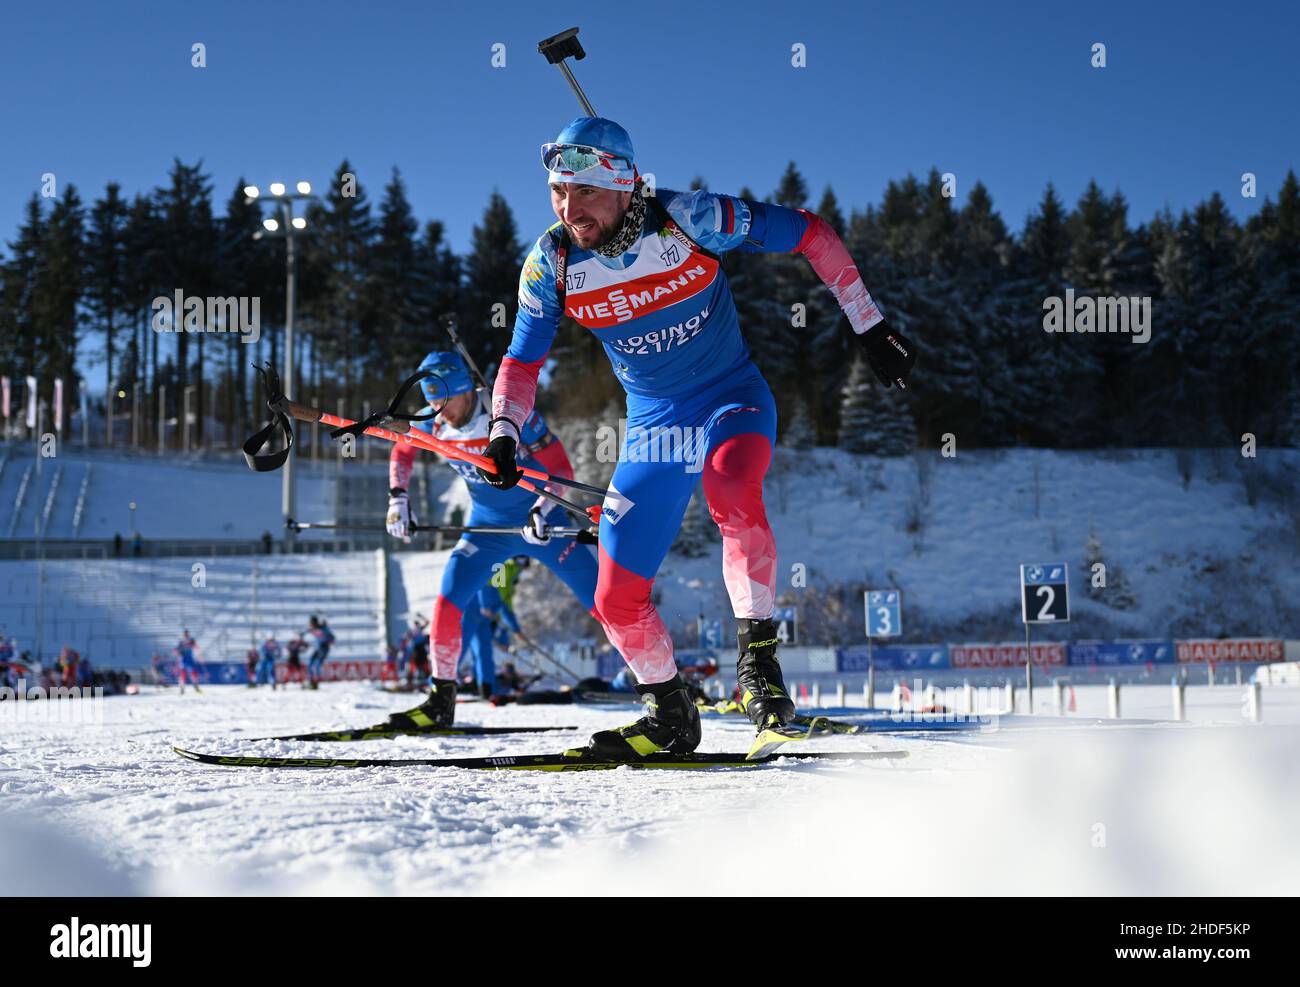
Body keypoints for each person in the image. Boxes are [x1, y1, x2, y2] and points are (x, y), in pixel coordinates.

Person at [480, 117, 916, 758]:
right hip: (656, 426)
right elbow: (521, 363)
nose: (570, 210)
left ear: (627, 186)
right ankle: (669, 713)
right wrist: (504, 432)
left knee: (732, 487)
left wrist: (868, 324)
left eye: (586, 193)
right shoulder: (551, 263)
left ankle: (759, 670)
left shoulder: (691, 219)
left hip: (729, 399)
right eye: (557, 191)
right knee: (613, 593)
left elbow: (809, 233)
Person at [382, 350, 610, 730]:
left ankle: (663, 687)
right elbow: (402, 451)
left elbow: (561, 468)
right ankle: (440, 700)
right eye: (431, 401)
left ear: (467, 390)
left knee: (605, 602)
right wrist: (398, 498)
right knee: (449, 599)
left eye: (444, 400)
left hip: (543, 524)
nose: (439, 409)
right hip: (487, 527)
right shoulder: (434, 424)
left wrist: (541, 509)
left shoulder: (507, 415)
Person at [304, 616, 333, 690]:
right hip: (317, 648)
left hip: (324, 648)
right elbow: (304, 633)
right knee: (310, 663)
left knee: (317, 664)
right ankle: (311, 681)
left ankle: (316, 682)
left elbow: (332, 637)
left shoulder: (323, 628)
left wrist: (328, 640)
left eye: (312, 623)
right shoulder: (312, 629)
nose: (311, 625)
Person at [175, 629, 201, 694]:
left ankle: (196, 686)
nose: (186, 635)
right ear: (183, 635)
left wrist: (197, 651)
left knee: (193, 673)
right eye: (185, 634)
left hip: (190, 659)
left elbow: (196, 646)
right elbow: (177, 650)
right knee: (183, 673)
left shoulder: (191, 640)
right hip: (183, 659)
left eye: (187, 634)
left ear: (188, 634)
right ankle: (182, 688)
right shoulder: (181, 642)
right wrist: (178, 652)